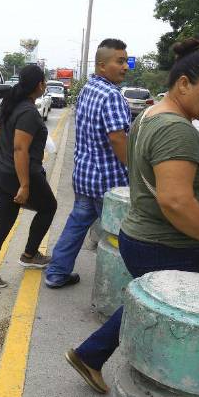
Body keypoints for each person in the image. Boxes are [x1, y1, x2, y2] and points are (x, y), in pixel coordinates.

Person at [65, 39, 199, 394]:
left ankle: (91, 355)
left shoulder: (152, 115)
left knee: (146, 304)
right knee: (165, 313)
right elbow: (175, 201)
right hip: (167, 244)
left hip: (151, 239)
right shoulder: (173, 129)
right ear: (184, 84)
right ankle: (162, 388)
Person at [45, 39, 131, 288]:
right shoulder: (112, 96)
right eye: (120, 61)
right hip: (109, 181)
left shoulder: (87, 88)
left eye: (126, 60)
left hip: (84, 175)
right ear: (102, 66)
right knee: (123, 233)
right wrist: (133, 171)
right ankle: (120, 286)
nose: (125, 66)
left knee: (76, 224)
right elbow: (117, 137)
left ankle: (57, 273)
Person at [0, 64, 58, 288]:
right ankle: (30, 255)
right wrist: (24, 185)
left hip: (1, 171)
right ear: (40, 85)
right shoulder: (28, 112)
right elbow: (20, 150)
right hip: (20, 175)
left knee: (3, 221)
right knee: (49, 207)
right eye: (44, 82)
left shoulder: (12, 104)